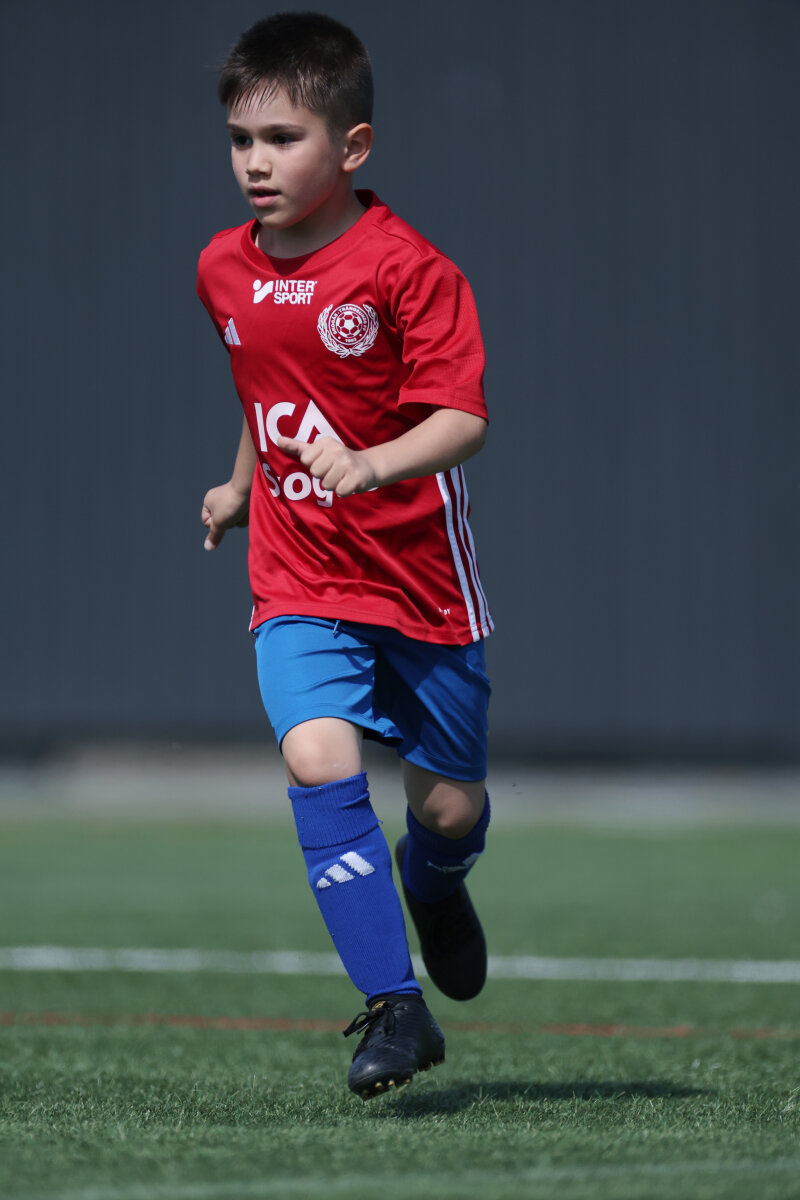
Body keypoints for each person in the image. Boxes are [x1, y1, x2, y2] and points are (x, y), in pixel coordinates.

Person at [198, 11, 493, 1100]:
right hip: (297, 575)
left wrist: (372, 464)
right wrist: (243, 484)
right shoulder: (221, 268)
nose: (256, 162)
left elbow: (461, 419)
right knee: (318, 758)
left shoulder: (409, 269)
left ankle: (438, 883)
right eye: (241, 139)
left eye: (283, 138)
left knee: (447, 809)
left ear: (352, 147)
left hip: (418, 581)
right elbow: (266, 392)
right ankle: (394, 1005)